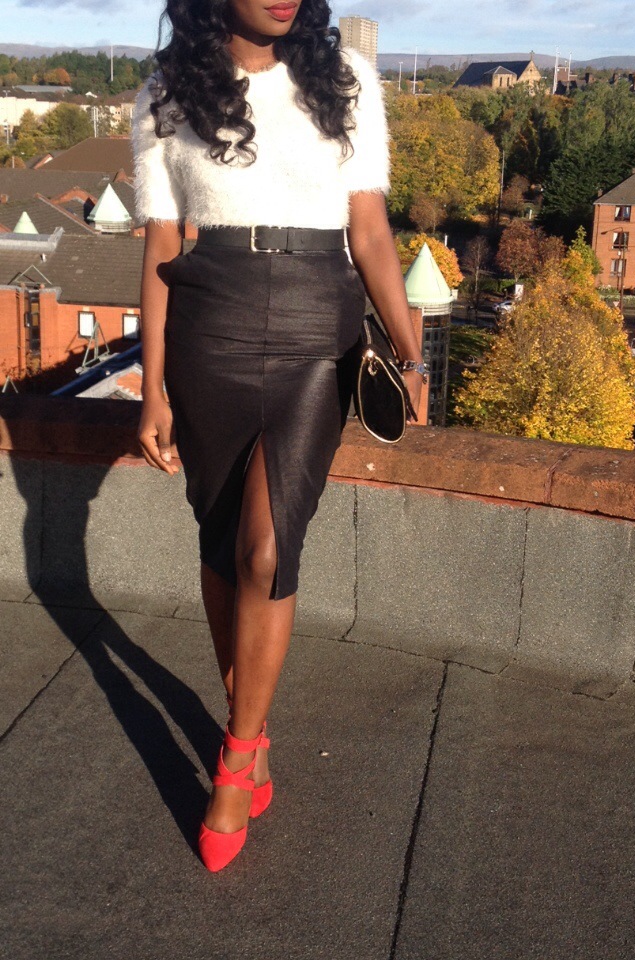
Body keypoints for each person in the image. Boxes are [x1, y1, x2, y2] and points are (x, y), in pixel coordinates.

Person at [132, 0, 425, 872]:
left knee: (266, 548)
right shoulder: (167, 90)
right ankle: (252, 733)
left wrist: (410, 354)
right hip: (208, 330)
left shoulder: (346, 80)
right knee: (223, 543)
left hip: (315, 328)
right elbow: (160, 245)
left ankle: (234, 758)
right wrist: (152, 387)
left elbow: (369, 231)